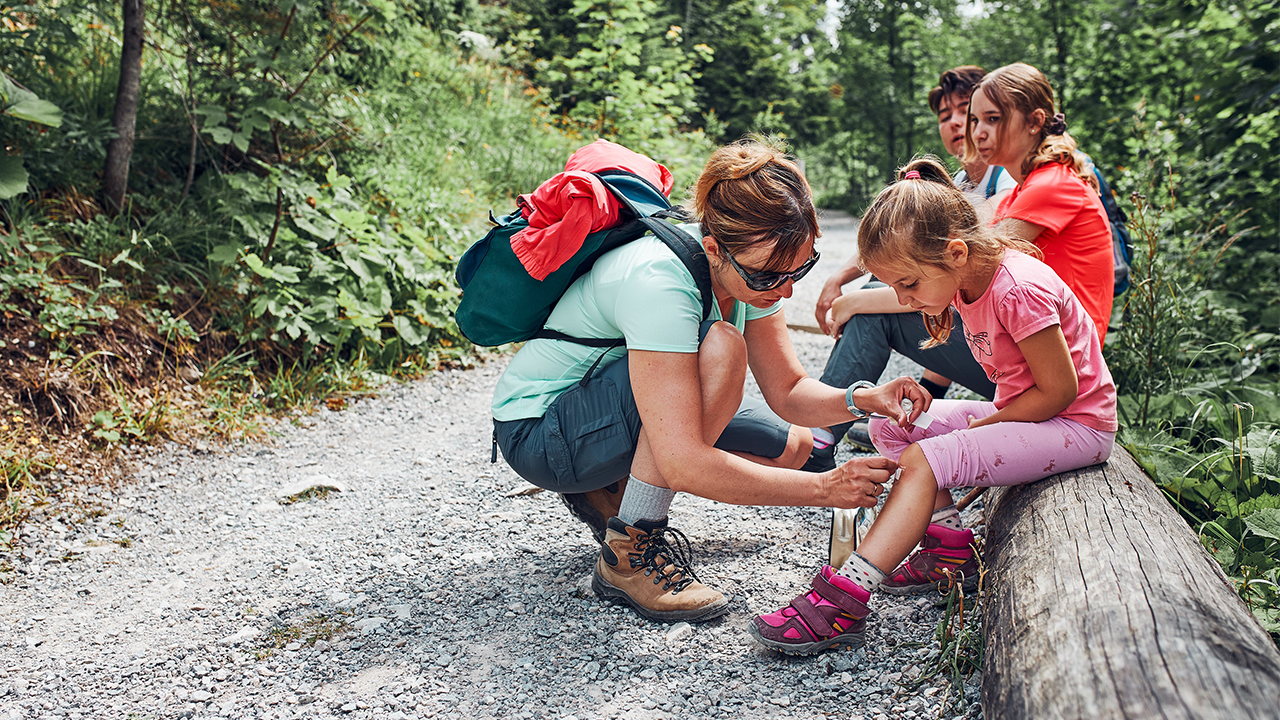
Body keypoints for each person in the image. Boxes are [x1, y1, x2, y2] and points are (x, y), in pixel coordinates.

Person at [491, 139, 929, 623]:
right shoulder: (661, 280)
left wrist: (866, 399)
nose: (784, 291)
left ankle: (614, 484)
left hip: (606, 406)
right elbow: (682, 463)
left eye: (799, 270)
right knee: (722, 349)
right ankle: (629, 551)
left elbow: (788, 391)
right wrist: (826, 489)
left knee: (794, 448)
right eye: (769, 277)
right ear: (715, 248)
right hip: (542, 431)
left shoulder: (755, 266)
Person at [749, 155, 1118, 655]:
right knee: (895, 426)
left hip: (1076, 426)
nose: (902, 298)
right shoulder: (966, 282)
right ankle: (949, 552)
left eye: (908, 284)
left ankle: (846, 593)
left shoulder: (1017, 288)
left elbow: (1060, 392)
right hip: (1035, 414)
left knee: (928, 456)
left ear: (958, 252)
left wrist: (980, 426)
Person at [806, 66, 1013, 470]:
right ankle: (826, 431)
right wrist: (839, 277)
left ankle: (819, 437)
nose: (956, 123)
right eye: (945, 115)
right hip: (993, 344)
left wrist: (853, 302)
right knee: (881, 285)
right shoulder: (960, 182)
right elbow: (899, 247)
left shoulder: (1008, 180)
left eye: (968, 113)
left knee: (872, 308)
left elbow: (959, 281)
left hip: (1027, 361)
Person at [969, 62, 1115, 343]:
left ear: (1034, 122)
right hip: (1038, 339)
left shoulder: (1052, 184)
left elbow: (974, 266)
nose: (978, 133)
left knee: (881, 319)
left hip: (1069, 357)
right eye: (975, 120)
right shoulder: (1023, 191)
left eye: (993, 119)